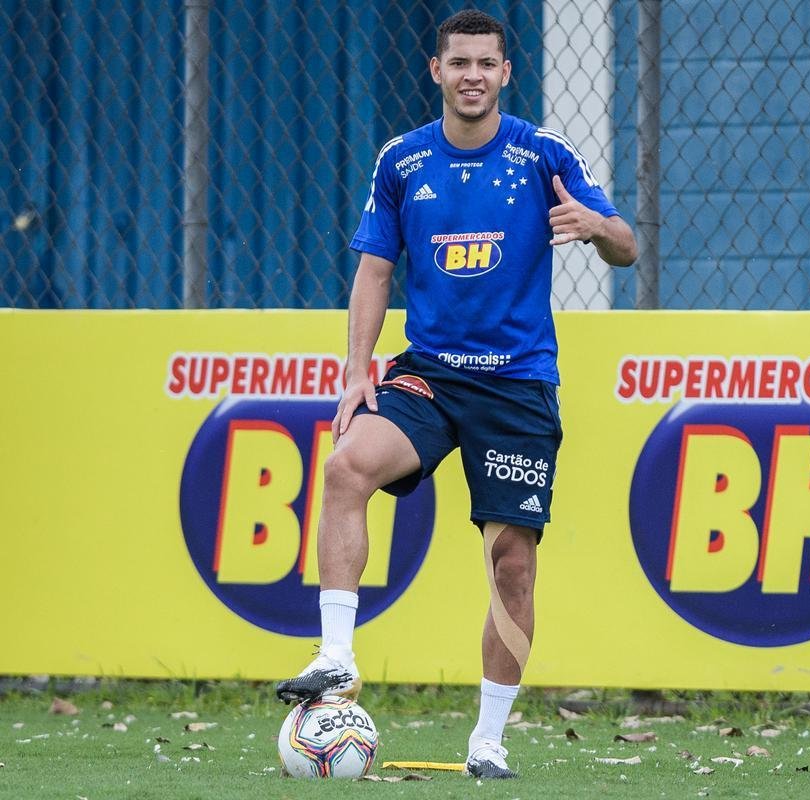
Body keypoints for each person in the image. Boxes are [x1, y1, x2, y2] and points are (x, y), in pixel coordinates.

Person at [276, 8, 637, 780]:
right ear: (436, 72)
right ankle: (336, 660)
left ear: (507, 73)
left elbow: (627, 245)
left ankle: (488, 742)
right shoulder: (402, 161)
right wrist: (357, 368)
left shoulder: (543, 153)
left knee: (512, 563)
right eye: (459, 62)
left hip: (517, 386)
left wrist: (596, 228)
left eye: (486, 63)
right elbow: (375, 270)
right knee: (345, 467)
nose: (472, 74)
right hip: (430, 375)